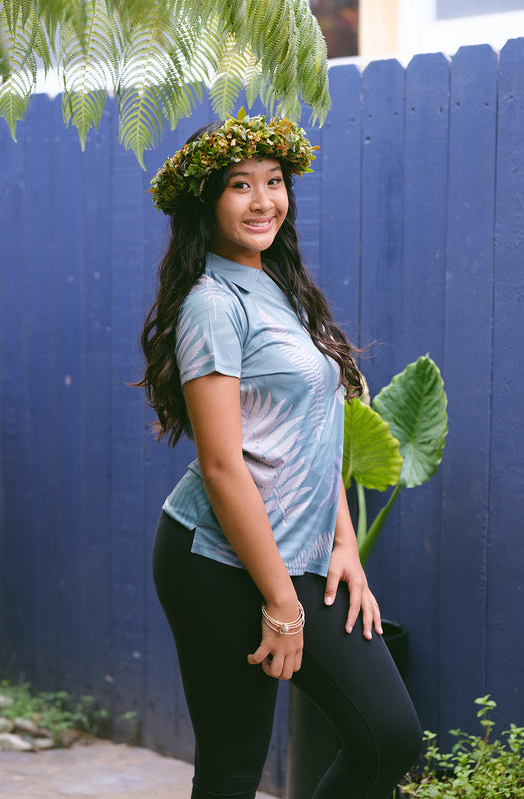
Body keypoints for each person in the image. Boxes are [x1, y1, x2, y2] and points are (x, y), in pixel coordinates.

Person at [139, 111, 422, 799]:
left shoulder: (278, 286)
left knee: (388, 738)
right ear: (206, 200)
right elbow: (222, 464)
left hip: (298, 553)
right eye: (240, 184)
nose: (263, 199)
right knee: (234, 765)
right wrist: (280, 603)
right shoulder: (211, 303)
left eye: (274, 181)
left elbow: (312, 434)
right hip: (214, 558)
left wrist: (343, 542)